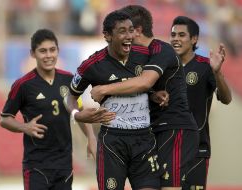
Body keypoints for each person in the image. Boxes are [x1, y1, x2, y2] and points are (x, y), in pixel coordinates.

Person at [90, 5, 199, 190]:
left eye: (129, 30)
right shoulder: (136, 57)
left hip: (174, 128)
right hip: (153, 129)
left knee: (169, 187)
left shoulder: (161, 50)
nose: (125, 37)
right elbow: (143, 90)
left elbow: (144, 82)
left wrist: (104, 89)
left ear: (138, 30)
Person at [0, 29, 114, 190]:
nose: (48, 55)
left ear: (58, 51)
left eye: (52, 50)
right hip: (36, 166)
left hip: (64, 165)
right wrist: (24, 127)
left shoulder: (69, 79)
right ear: (33, 53)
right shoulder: (23, 85)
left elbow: (79, 111)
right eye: (42, 51)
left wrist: (90, 138)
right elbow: (4, 118)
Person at [68, 10, 160, 190]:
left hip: (144, 139)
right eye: (122, 31)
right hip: (112, 142)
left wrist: (157, 94)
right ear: (107, 36)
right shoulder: (91, 65)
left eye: (131, 30)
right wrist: (76, 115)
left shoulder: (146, 54)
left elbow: (154, 82)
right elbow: (70, 97)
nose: (129, 36)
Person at [170, 16, 232, 190]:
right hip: (166, 146)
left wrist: (218, 73)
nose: (176, 39)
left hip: (196, 148)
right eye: (173, 34)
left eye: (182, 35)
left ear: (194, 39)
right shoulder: (163, 68)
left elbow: (226, 99)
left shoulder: (206, 67)